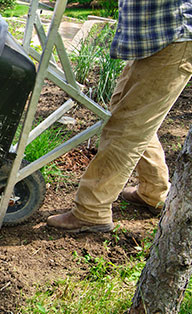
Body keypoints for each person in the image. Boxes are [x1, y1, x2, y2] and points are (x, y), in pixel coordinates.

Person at [47, 0, 192, 232]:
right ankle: (153, 192)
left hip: (173, 37)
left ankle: (91, 211)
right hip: (155, 39)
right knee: (128, 114)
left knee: (127, 128)